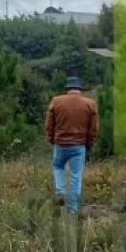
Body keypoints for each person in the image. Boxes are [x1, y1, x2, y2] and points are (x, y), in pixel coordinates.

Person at [45, 76, 98, 214]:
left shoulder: (56, 101)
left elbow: (49, 125)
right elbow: (94, 129)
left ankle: (60, 191)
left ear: (67, 89)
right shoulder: (90, 104)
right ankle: (73, 209)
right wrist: (89, 144)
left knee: (58, 166)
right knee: (76, 176)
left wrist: (52, 139)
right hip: (79, 145)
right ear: (80, 89)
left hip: (60, 144)